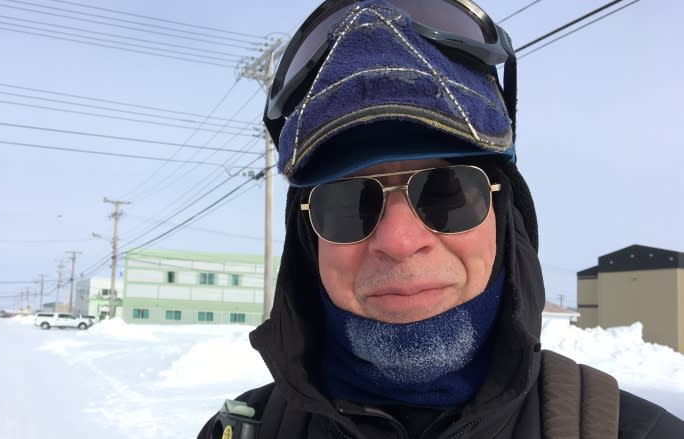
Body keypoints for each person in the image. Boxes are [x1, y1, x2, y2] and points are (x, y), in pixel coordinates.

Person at [199, 0, 684, 438]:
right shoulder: (244, 431)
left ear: (504, 216)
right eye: (348, 203)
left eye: (447, 193)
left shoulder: (637, 431)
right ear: (308, 240)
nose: (399, 240)